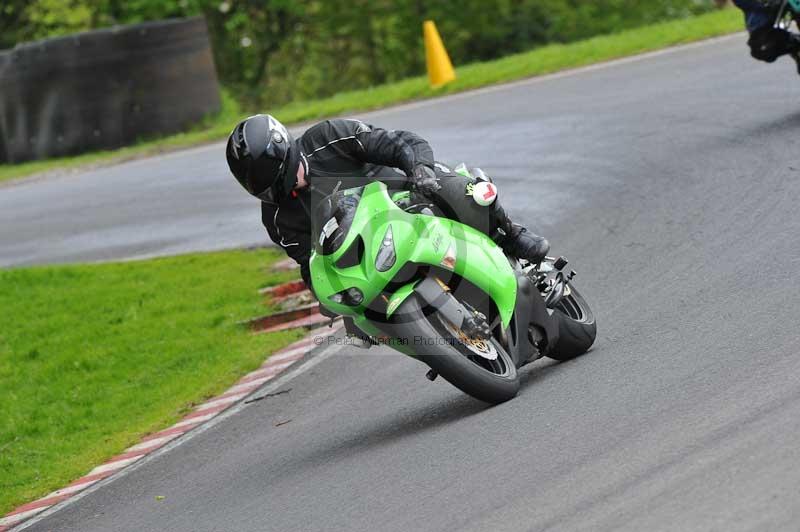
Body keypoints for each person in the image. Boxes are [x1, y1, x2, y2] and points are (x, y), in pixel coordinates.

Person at [225, 114, 549, 289]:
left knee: (446, 184)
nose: (280, 194)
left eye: (279, 182)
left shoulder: (328, 137)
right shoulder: (278, 219)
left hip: (411, 203)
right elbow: (310, 266)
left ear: (289, 153)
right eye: (267, 192)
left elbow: (397, 143)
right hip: (372, 258)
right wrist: (326, 293)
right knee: (361, 324)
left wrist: (419, 168)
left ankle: (510, 233)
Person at [733, 0, 800, 70]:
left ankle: (793, 43)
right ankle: (794, 43)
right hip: (763, 15)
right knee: (761, 50)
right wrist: (764, 6)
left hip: (786, 4)